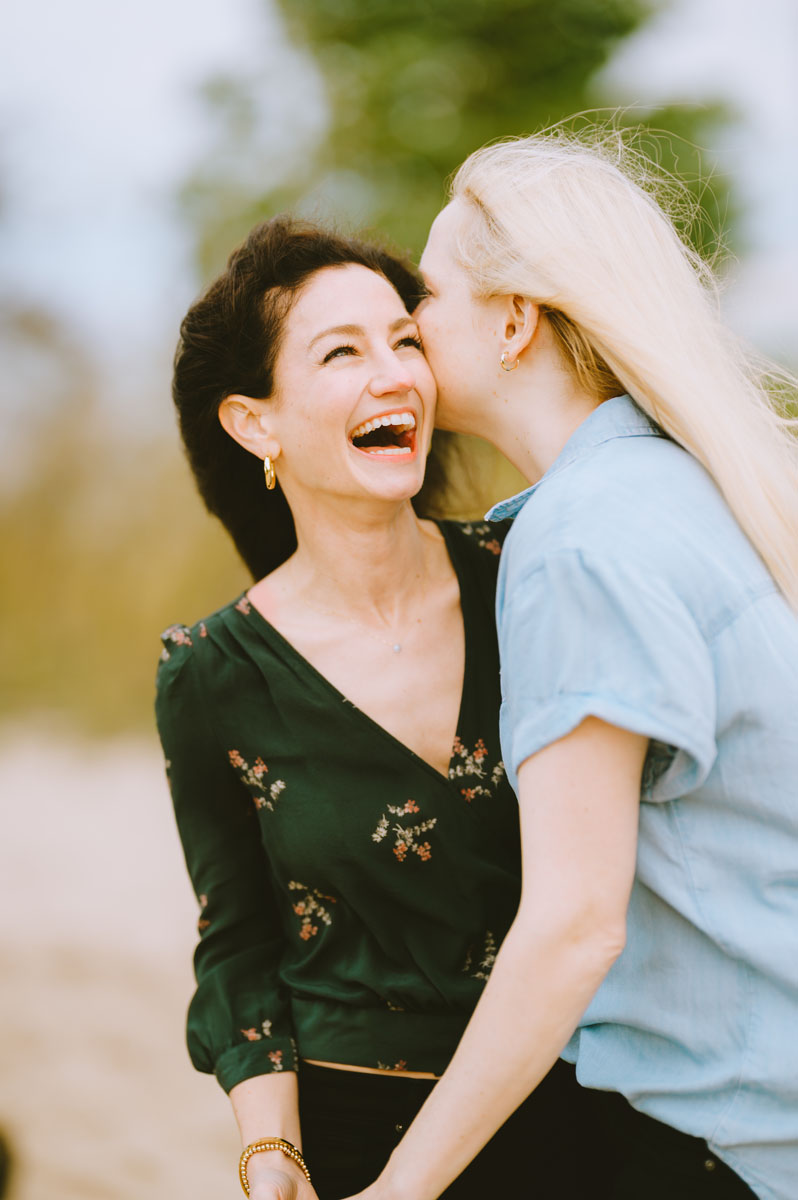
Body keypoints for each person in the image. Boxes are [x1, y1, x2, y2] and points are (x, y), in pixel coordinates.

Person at [344, 132, 798, 1200]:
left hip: (708, 1146)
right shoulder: (698, 490)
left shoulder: (581, 541)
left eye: (424, 303)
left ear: (515, 321)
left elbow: (575, 923)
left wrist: (400, 1189)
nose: (404, 340)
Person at [155, 216, 611, 1200]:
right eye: (343, 352)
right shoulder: (211, 672)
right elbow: (238, 940)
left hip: (587, 1111)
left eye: (407, 340)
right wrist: (269, 1149)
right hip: (354, 1137)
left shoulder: (533, 579)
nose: (395, 373)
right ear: (255, 422)